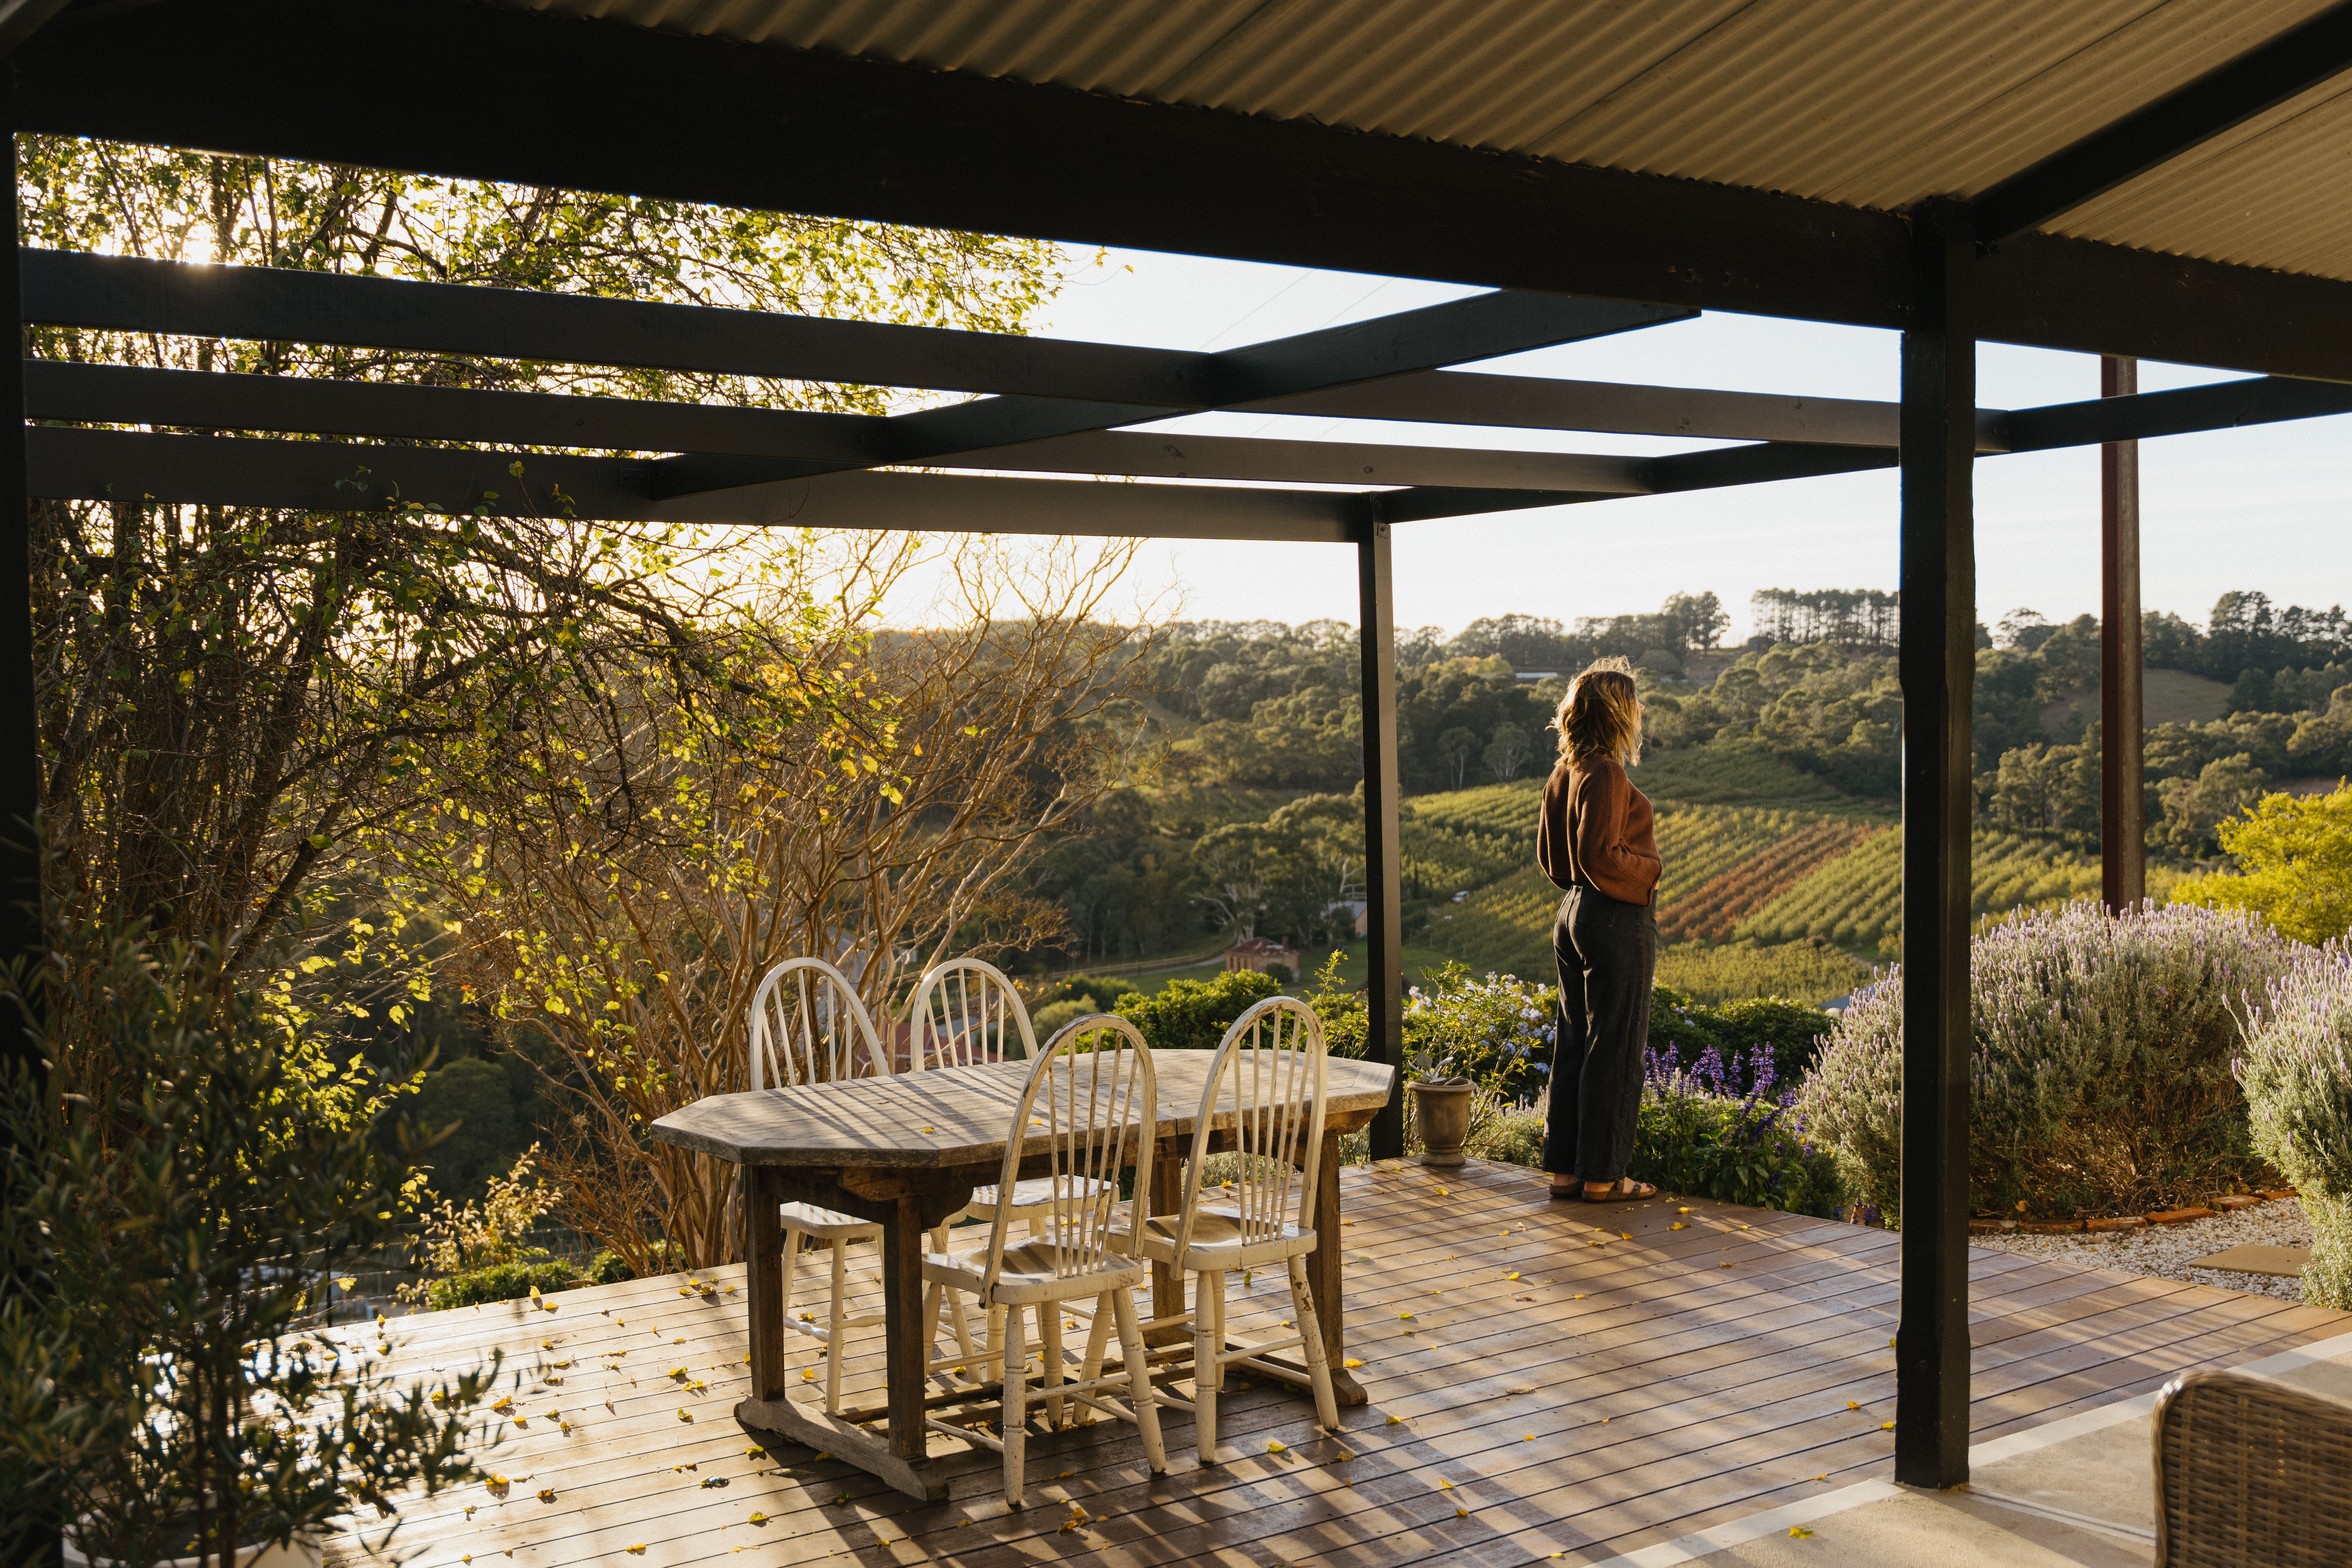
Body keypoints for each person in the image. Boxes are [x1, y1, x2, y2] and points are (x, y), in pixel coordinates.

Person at [1535, 658, 1662, 1202]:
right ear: (1617, 714)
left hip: (1574, 914)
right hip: (1614, 916)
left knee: (1574, 1043)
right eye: (1634, 706)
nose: (1640, 713)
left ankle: (1566, 1172)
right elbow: (1600, 855)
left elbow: (1553, 858)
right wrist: (1649, 872)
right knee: (1617, 1047)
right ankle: (1605, 1178)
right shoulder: (1607, 773)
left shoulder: (1565, 772)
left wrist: (1583, 890)